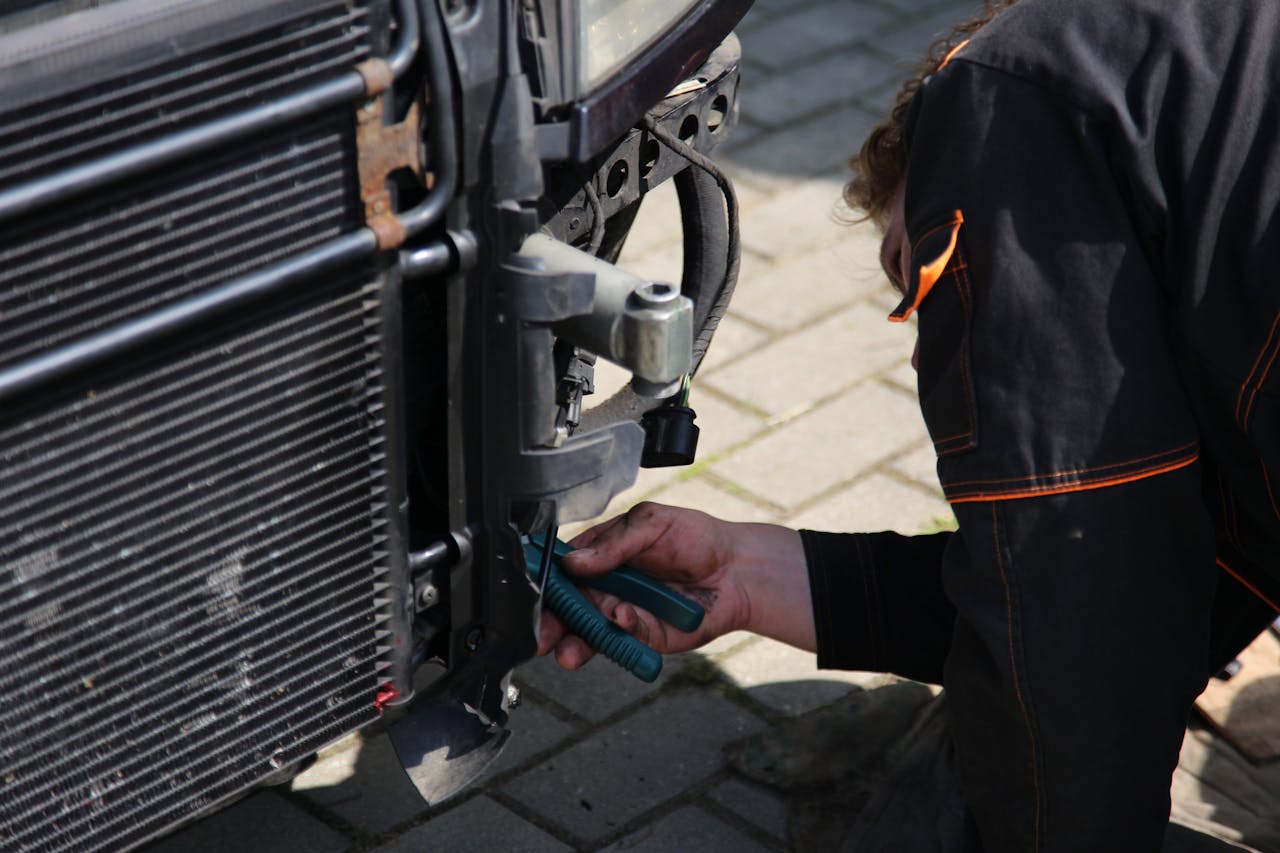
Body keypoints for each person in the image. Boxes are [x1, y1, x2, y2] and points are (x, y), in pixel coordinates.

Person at [538, 0, 1280, 849]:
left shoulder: (1009, 97)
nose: (937, 350)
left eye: (920, 276)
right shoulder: (1207, 123)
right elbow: (1128, 596)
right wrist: (748, 571)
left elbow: (1072, 616)